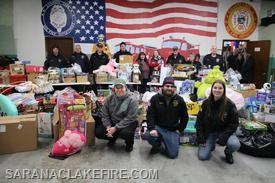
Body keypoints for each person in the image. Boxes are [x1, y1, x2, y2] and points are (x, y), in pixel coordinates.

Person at [142, 77, 189, 159]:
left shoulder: (179, 100)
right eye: (167, 86)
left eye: (171, 86)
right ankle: (157, 145)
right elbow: (150, 115)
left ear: (174, 88)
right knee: (147, 135)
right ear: (162, 87)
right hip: (158, 128)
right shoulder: (155, 99)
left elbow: (185, 117)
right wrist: (152, 128)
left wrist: (180, 129)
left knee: (172, 155)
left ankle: (165, 142)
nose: (169, 88)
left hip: (172, 130)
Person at [195, 80, 240, 164]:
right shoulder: (205, 103)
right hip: (210, 133)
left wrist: (225, 136)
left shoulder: (230, 105)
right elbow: (199, 121)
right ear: (212, 89)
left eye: (220, 88)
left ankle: (228, 153)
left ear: (224, 90)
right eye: (215, 87)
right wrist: (200, 135)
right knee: (202, 156)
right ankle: (211, 145)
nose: (217, 90)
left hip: (224, 132)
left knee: (234, 144)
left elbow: (234, 123)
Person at [95, 79, 139, 152]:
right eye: (117, 88)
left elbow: (130, 118)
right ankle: (112, 138)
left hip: (128, 123)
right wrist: (108, 126)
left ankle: (129, 144)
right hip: (114, 121)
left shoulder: (132, 99)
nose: (119, 90)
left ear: (126, 88)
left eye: (121, 87)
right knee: (98, 132)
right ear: (114, 89)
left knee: (126, 133)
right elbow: (104, 113)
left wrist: (115, 128)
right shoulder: (110, 98)